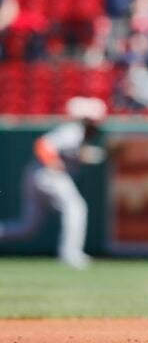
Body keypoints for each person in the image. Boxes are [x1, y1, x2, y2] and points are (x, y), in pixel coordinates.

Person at [0, 97, 107, 270]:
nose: (96, 126)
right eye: (94, 122)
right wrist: (53, 162)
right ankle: (70, 255)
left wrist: (98, 155)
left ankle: (70, 253)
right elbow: (42, 144)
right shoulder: (73, 130)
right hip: (49, 174)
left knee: (27, 227)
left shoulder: (78, 135)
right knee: (76, 208)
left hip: (37, 175)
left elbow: (77, 154)